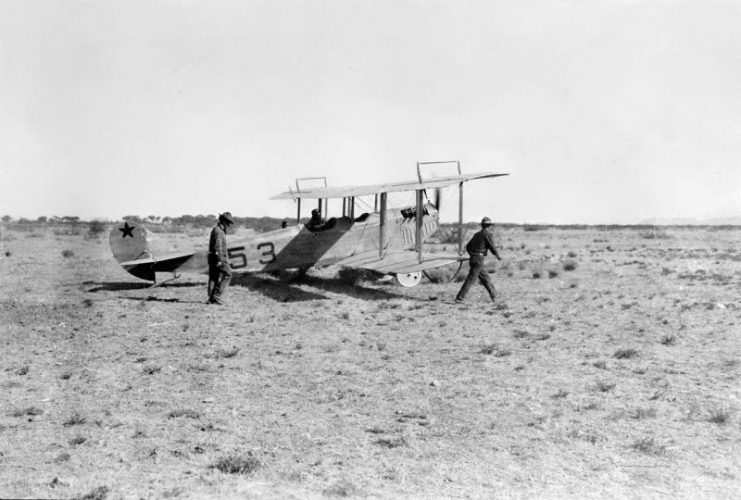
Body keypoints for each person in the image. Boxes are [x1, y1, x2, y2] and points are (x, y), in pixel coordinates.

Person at [455, 217, 501, 303]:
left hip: (474, 259)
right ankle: (459, 297)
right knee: (471, 279)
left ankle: (494, 297)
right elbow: (492, 247)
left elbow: (468, 246)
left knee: (485, 278)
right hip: (478, 260)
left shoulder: (477, 234)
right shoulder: (488, 234)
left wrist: (472, 254)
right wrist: (497, 255)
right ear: (489, 226)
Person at [207, 212, 234, 305]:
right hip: (219, 259)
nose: (229, 224)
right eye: (228, 222)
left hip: (213, 259)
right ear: (223, 220)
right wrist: (220, 260)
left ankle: (211, 299)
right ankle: (217, 295)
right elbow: (217, 247)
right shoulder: (219, 231)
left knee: (213, 277)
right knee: (228, 275)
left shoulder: (217, 229)